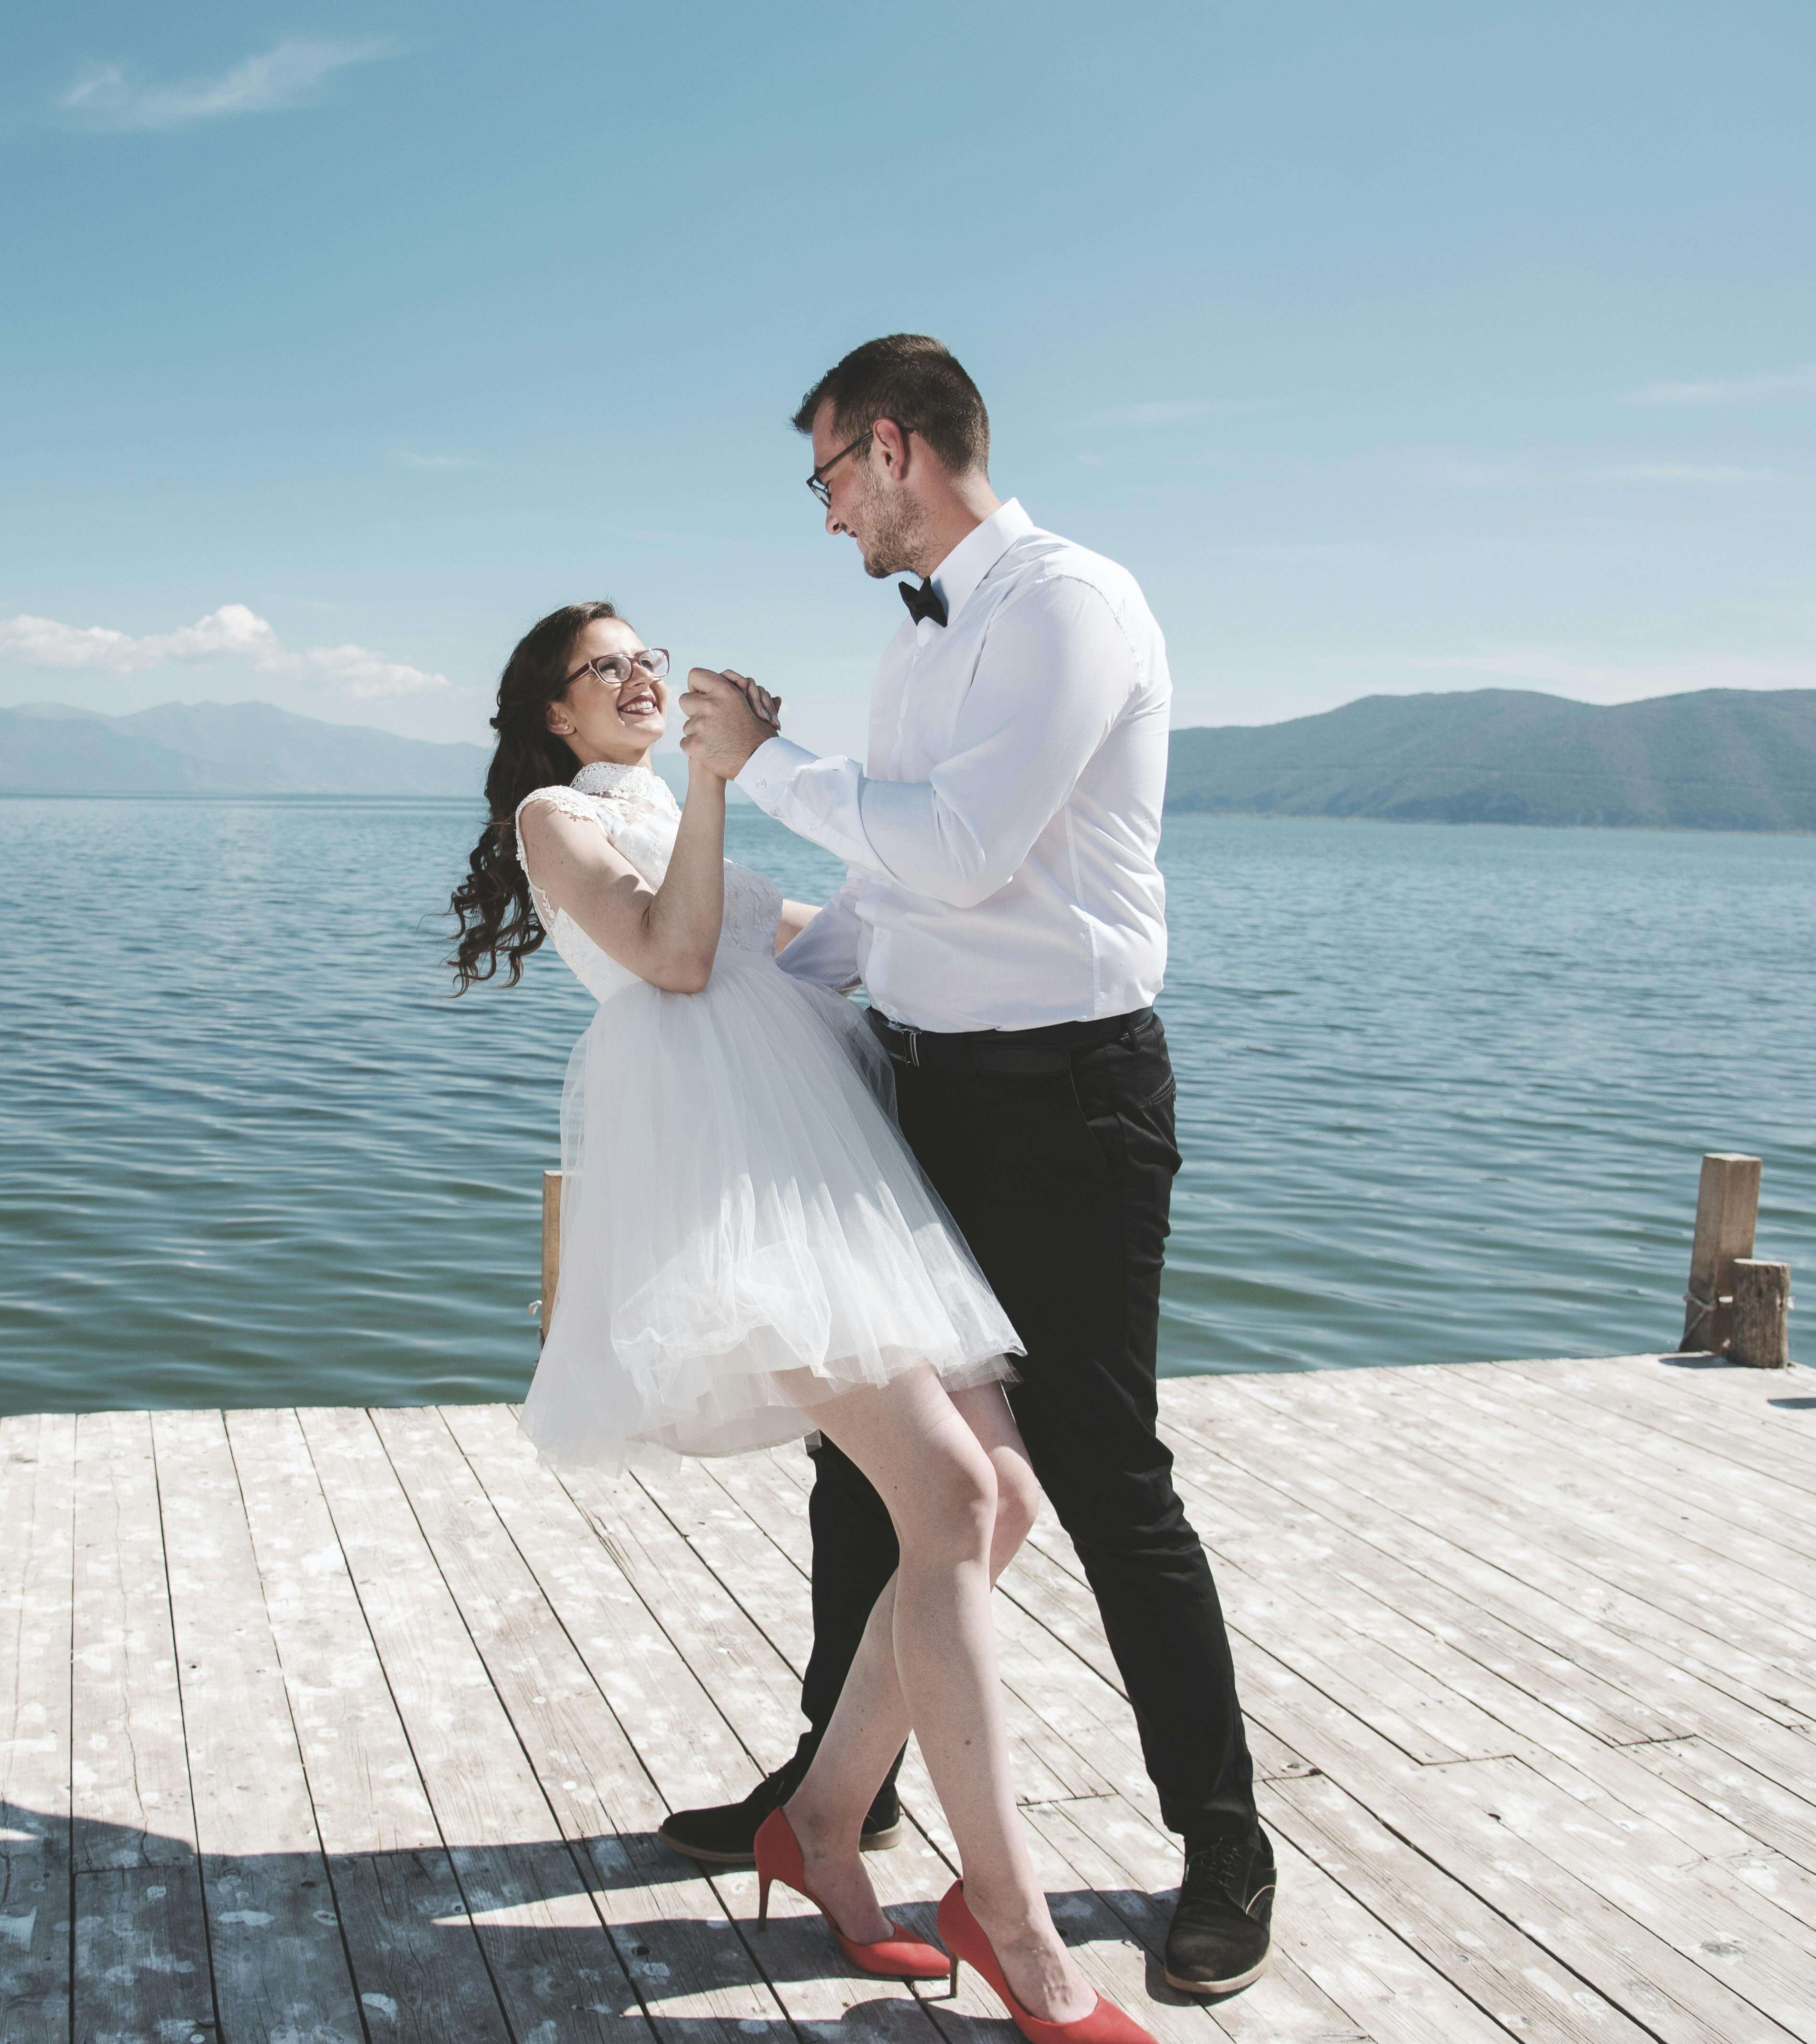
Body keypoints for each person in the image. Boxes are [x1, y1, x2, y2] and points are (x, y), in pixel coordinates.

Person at [661, 335, 1277, 2002]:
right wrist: (714, 1019)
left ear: (891, 450)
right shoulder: (916, 651)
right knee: (873, 1459)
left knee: (1103, 1471)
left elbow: (963, 846)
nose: (826, 517)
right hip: (912, 1094)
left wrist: (754, 768)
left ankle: (1221, 1848)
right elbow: (891, 901)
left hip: (1070, 1106)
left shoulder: (1073, 606)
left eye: (825, 482)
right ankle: (828, 1800)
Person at [450, 603, 1158, 2040]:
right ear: (555, 717)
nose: (645, 674)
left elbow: (818, 945)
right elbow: (678, 953)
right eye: (609, 668)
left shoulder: (669, 802)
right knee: (955, 1495)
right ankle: (1013, 1925)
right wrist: (719, 782)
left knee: (1001, 1501)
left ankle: (824, 1823)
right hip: (732, 1183)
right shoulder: (554, 817)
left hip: (823, 1165)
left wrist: (939, 864)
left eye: (652, 655)